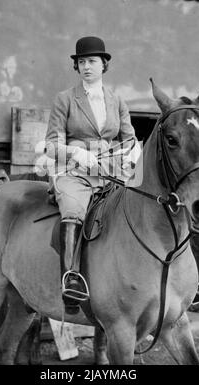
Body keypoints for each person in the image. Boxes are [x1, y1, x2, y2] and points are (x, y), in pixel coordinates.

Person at [44, 36, 138, 314]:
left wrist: (126, 161)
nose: (86, 66)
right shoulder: (65, 99)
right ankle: (70, 279)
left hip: (110, 174)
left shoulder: (117, 101)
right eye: (81, 62)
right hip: (75, 173)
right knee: (73, 209)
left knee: (146, 206)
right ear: (77, 66)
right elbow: (50, 146)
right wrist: (77, 154)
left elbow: (130, 141)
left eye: (92, 61)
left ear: (103, 65)